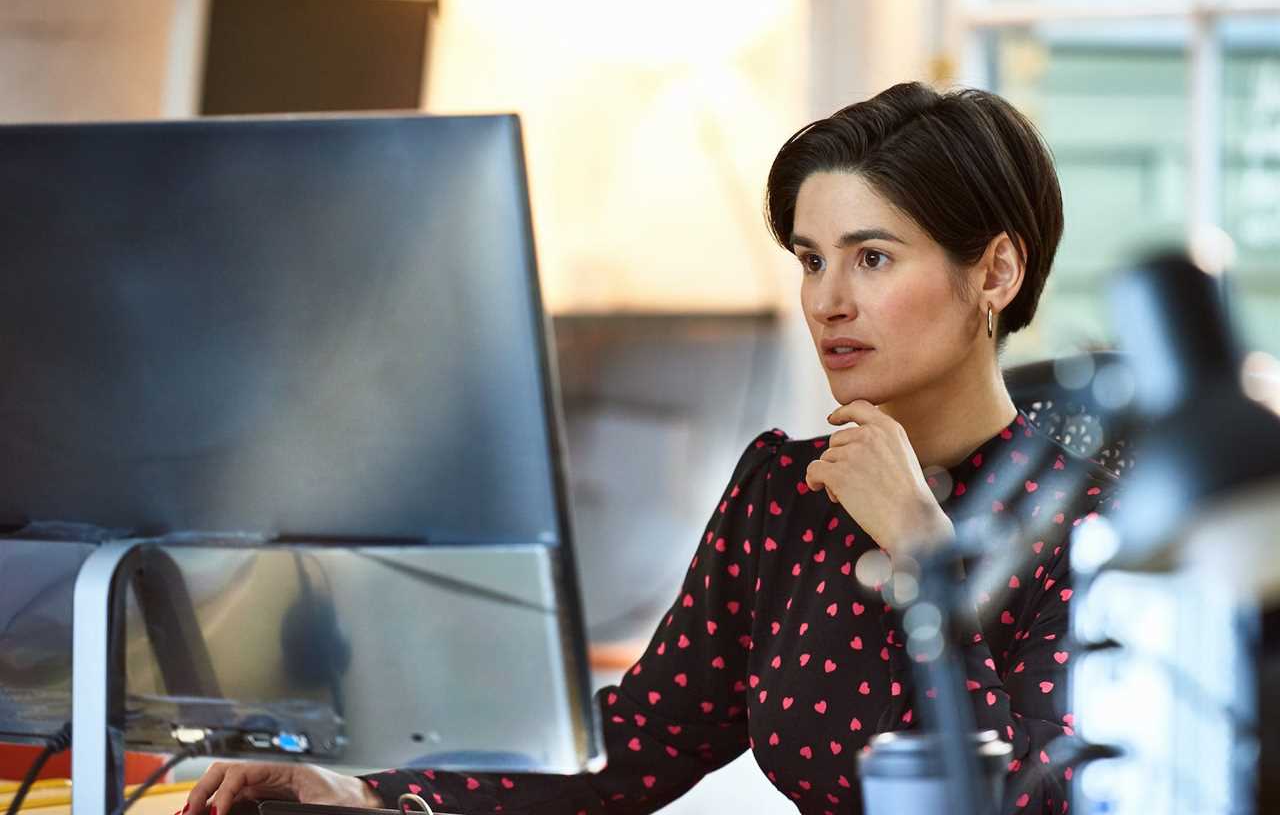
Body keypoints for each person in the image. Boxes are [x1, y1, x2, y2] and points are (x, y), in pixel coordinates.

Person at [183, 82, 1115, 815]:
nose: (828, 301)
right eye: (810, 258)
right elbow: (640, 738)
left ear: (995, 270)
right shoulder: (783, 493)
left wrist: (926, 556)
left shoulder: (1092, 530)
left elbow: (1039, 803)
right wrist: (377, 790)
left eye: (872, 257)